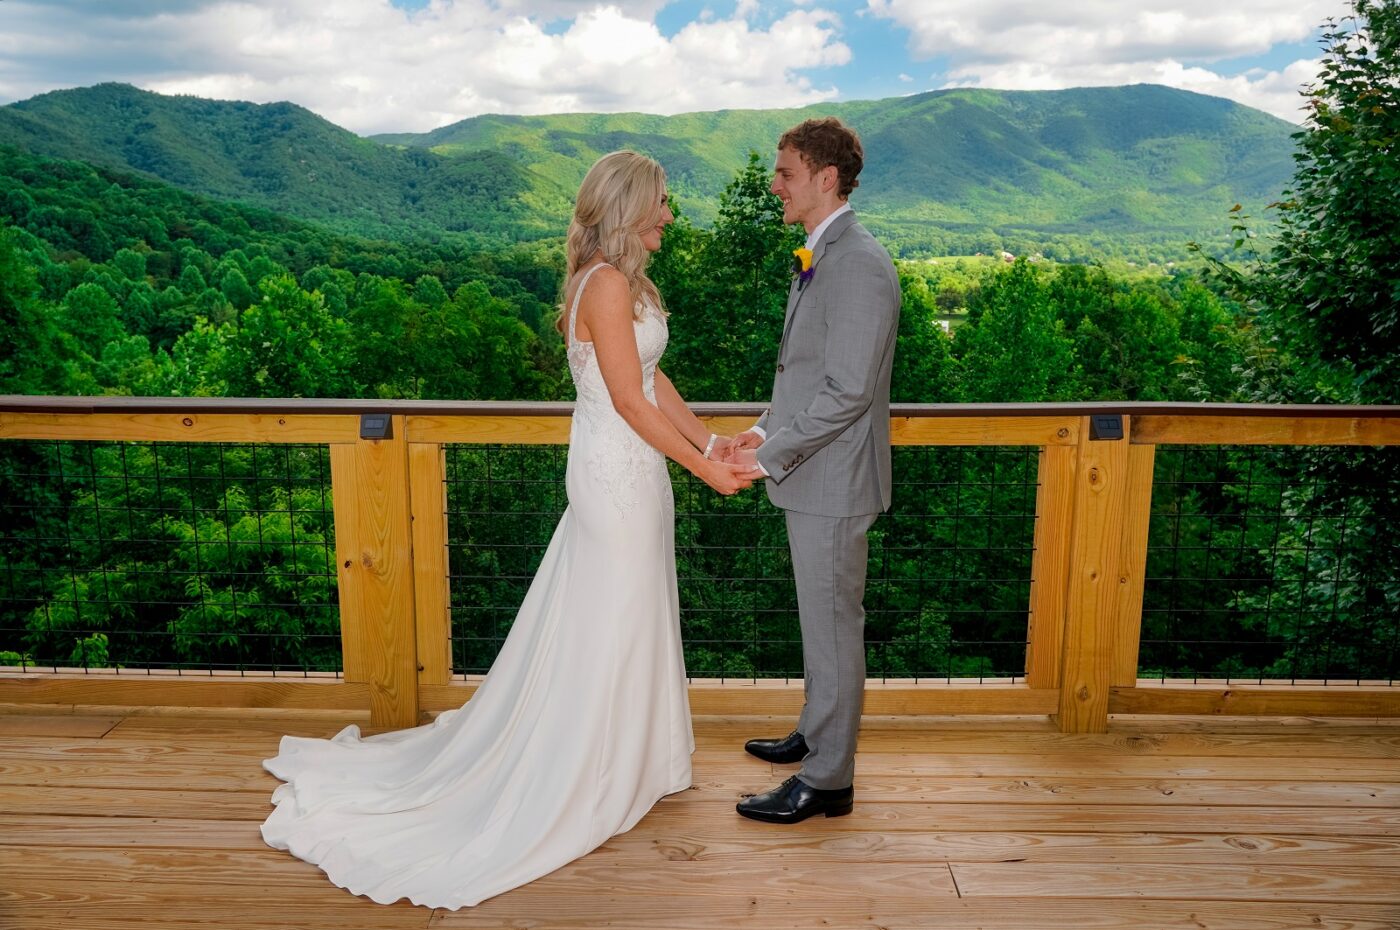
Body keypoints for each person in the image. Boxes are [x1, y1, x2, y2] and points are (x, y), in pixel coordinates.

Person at [260, 151, 754, 909]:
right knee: (612, 622)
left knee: (630, 615)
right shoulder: (608, 283)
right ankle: (592, 773)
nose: (669, 216)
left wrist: (710, 440)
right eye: (661, 203)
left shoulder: (626, 281)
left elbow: (656, 383)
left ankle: (639, 762)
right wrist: (705, 469)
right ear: (629, 207)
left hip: (635, 471)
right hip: (615, 476)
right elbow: (626, 400)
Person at [726, 118, 901, 824]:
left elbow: (848, 391)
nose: (775, 185)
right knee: (820, 622)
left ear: (826, 178)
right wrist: (763, 429)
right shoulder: (822, 253)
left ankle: (828, 780)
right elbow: (805, 376)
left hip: (833, 482)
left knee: (833, 625)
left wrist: (767, 460)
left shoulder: (857, 262)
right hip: (815, 474)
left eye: (786, 172)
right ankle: (816, 731)